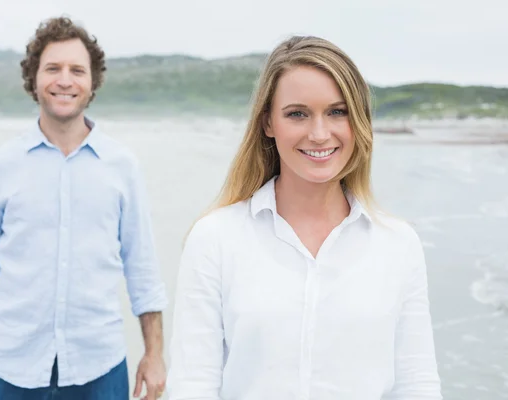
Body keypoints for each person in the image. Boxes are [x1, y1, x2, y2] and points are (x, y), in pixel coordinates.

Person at [166, 36, 442, 399]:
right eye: (297, 113)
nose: (319, 134)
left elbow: (416, 384)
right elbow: (193, 385)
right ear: (268, 122)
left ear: (358, 121)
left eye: (337, 112)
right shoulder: (215, 238)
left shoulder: (398, 243)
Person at [0, 17, 168, 400]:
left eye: (77, 70)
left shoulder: (122, 167)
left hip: (100, 368)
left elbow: (142, 271)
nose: (64, 80)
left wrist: (154, 355)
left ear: (92, 83)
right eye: (53, 68)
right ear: (34, 78)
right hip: (9, 367)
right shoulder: (0, 167)